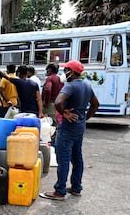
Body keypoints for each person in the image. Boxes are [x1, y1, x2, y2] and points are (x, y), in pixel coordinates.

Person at [40, 60, 99, 200]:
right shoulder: (87, 86)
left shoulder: (70, 86)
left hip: (67, 128)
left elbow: (58, 102)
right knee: (77, 158)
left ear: (71, 72)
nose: (63, 72)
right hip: (79, 128)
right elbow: (96, 105)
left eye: (65, 69)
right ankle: (76, 187)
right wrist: (84, 118)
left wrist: (65, 113)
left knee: (64, 159)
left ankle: (60, 191)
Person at [42, 63, 64, 132]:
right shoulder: (59, 79)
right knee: (55, 123)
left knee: (48, 123)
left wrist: (46, 102)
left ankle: (51, 140)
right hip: (57, 103)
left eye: (47, 70)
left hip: (50, 104)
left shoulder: (49, 78)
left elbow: (48, 89)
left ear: (50, 70)